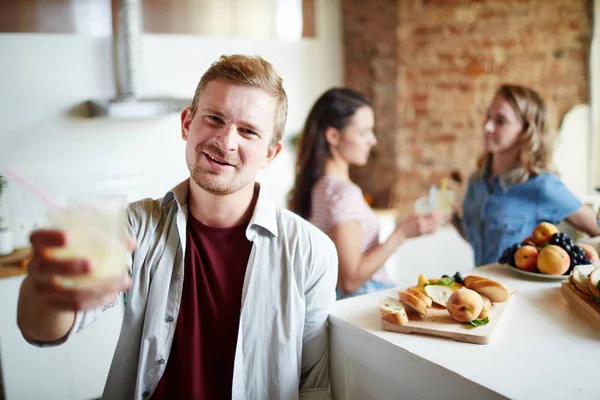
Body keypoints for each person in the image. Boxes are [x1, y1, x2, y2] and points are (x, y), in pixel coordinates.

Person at [16, 55, 338, 399]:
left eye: (248, 131)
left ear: (270, 154)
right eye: (215, 118)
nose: (227, 141)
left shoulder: (310, 251)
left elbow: (313, 385)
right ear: (187, 123)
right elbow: (44, 330)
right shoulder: (135, 226)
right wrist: (47, 292)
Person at [289, 88, 443, 299]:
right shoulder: (344, 194)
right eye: (363, 132)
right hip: (362, 300)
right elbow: (350, 280)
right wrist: (402, 233)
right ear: (333, 136)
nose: (373, 140)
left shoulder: (318, 188)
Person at [455, 83, 600, 266]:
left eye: (500, 121)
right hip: (482, 287)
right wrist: (451, 217)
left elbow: (596, 227)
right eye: (488, 116)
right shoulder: (476, 181)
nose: (488, 127)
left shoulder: (542, 186)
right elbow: (478, 239)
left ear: (526, 131)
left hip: (521, 293)